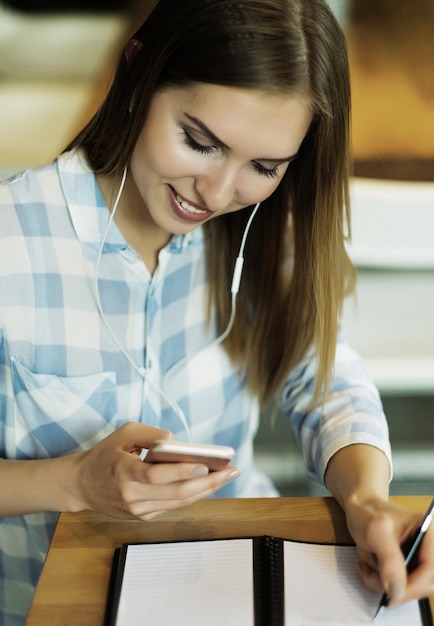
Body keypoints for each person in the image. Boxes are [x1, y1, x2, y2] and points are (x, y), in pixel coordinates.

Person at [0, 0, 433, 623]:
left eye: (264, 167)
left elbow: (325, 379)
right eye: (200, 142)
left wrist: (367, 500)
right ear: (138, 76)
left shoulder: (259, 234)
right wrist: (73, 482)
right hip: (53, 604)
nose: (219, 193)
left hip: (235, 586)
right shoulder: (16, 240)